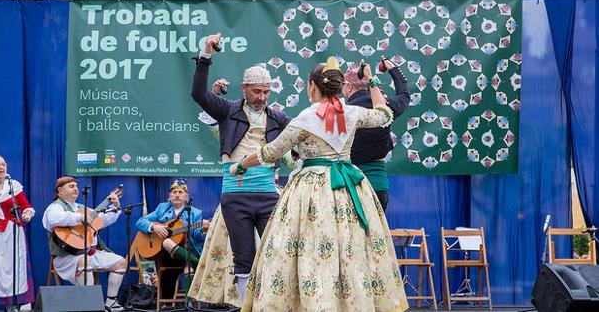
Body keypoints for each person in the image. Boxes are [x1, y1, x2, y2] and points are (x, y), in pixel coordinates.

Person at [230, 57, 408, 311]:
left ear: (312, 86)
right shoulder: (353, 113)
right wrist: (372, 80)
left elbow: (268, 153)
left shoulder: (305, 118)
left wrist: (239, 165)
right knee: (350, 249)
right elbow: (384, 114)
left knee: (307, 249)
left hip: (311, 192)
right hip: (348, 186)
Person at [190, 33, 291, 301]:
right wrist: (206, 55)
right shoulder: (227, 110)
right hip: (236, 196)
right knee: (244, 258)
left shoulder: (278, 117)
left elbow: (299, 141)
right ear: (244, 87)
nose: (262, 97)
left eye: (267, 92)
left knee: (276, 255)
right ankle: (248, 307)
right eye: (257, 91)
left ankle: (272, 306)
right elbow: (198, 94)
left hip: (268, 194)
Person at [42, 176, 126, 312]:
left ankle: (111, 302)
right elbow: (52, 219)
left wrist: (115, 207)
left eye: (76, 186)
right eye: (71, 186)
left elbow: (102, 220)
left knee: (121, 262)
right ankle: (89, 305)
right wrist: (79, 218)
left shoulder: (83, 207)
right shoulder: (55, 207)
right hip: (67, 257)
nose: (75, 188)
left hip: (90, 253)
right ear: (60, 190)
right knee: (84, 262)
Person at [342, 58, 410, 210]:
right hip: (378, 186)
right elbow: (404, 95)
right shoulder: (386, 108)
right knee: (377, 234)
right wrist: (393, 69)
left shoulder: (344, 113)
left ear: (348, 86)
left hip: (351, 185)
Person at [136, 178, 209, 300]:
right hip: (166, 255)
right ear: (169, 196)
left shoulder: (195, 213)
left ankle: (189, 303)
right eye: (174, 192)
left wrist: (203, 229)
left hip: (188, 250)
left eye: (181, 192)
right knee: (166, 241)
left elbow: (197, 237)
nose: (177, 195)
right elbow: (140, 221)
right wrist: (154, 227)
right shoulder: (162, 208)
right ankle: (201, 264)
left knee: (189, 267)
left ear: (186, 197)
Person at [0, 155, 35, 311]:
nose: (2, 167)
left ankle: (16, 303)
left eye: (3, 164)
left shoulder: (13, 186)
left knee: (14, 267)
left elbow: (26, 206)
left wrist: (27, 214)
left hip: (12, 233)